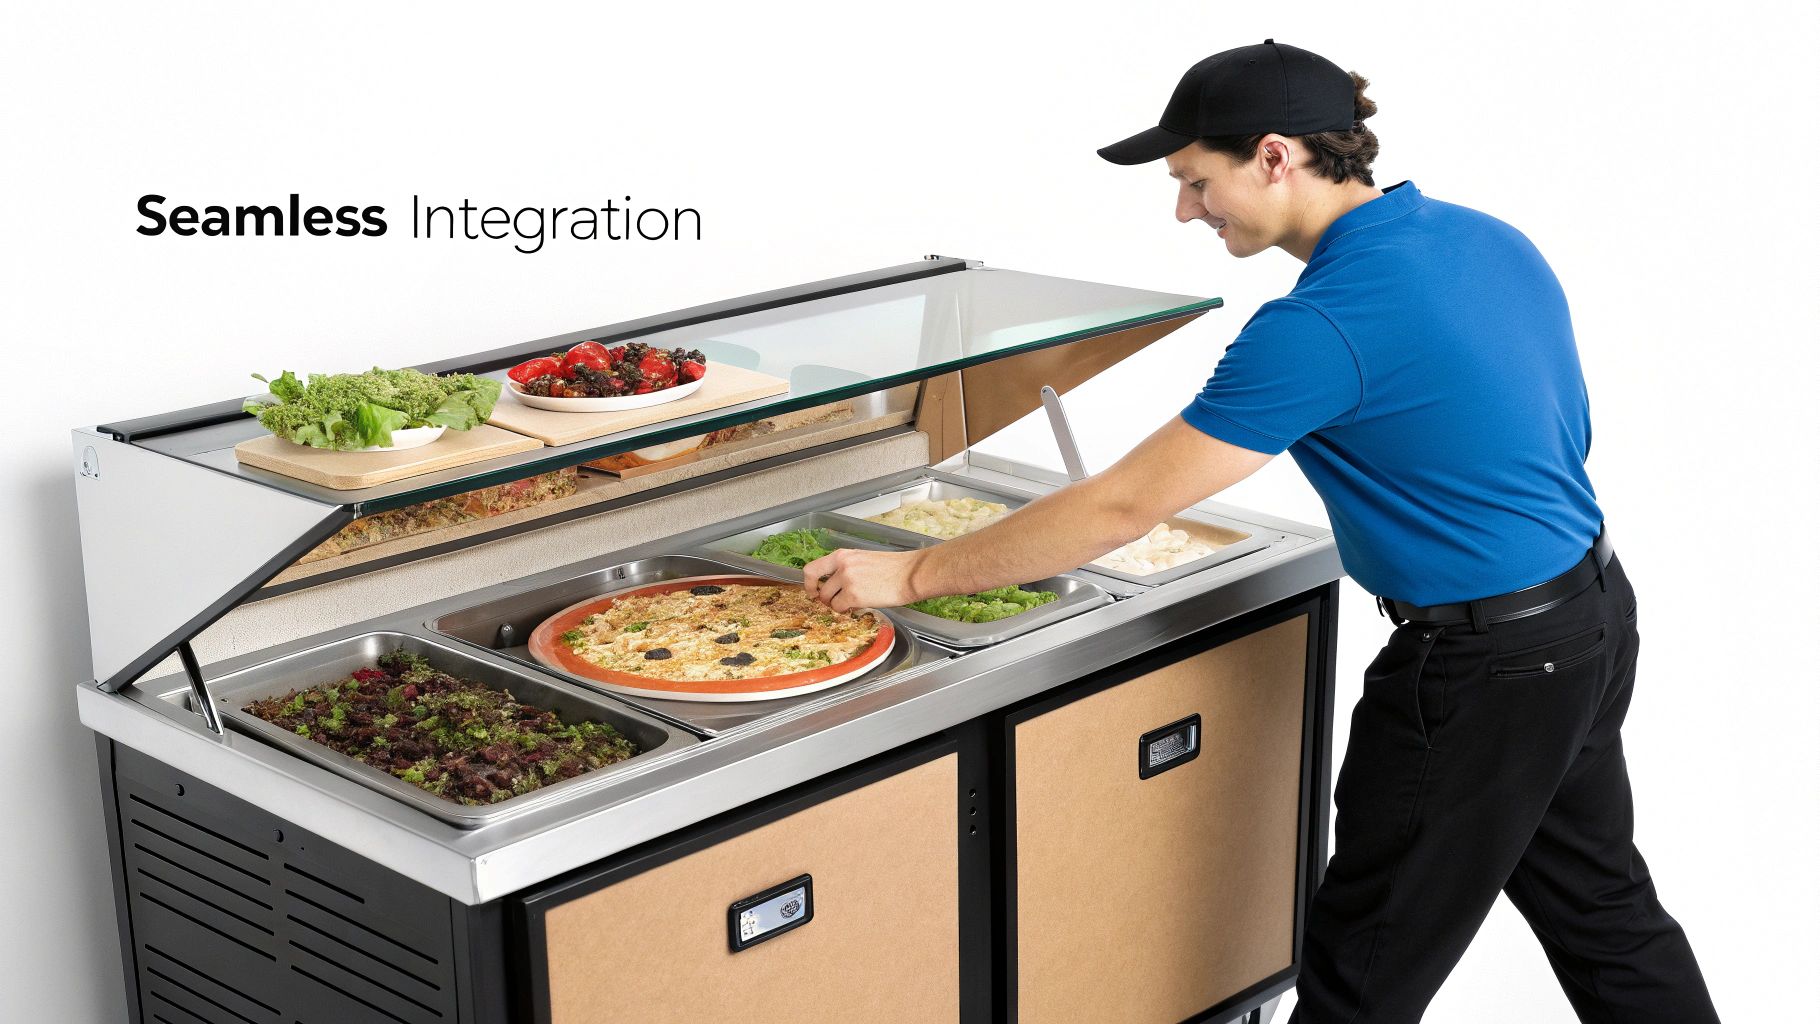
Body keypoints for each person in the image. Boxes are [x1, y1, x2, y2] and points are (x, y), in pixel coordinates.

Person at [804, 39, 1719, 1023]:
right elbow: (1562, 432)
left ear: (1275, 157)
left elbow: (1121, 506)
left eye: (1195, 181)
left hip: (1482, 673)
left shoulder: (1317, 327)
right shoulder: (1484, 238)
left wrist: (911, 576)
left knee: (1355, 972)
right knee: (1604, 912)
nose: (1184, 210)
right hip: (1587, 615)